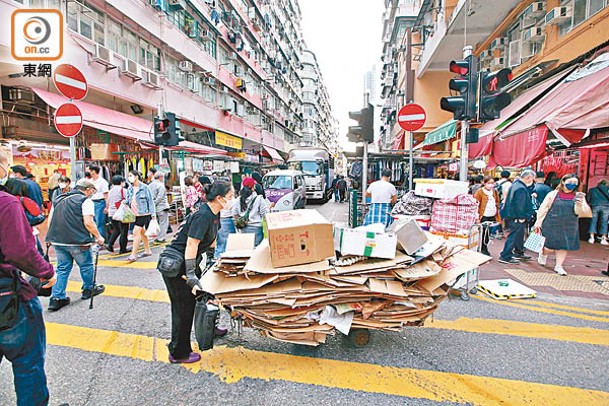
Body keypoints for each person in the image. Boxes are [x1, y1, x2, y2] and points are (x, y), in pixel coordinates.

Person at [0, 151, 57, 406]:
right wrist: (46, 272)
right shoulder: (5, 203)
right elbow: (20, 250)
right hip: (8, 300)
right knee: (28, 366)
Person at [160, 181, 233, 364]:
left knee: (205, 294)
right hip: (177, 264)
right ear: (219, 198)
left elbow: (212, 238)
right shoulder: (203, 215)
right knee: (183, 309)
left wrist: (211, 259)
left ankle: (209, 328)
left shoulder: (214, 214)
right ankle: (178, 352)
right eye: (231, 197)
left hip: (188, 261)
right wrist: (191, 274)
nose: (233, 200)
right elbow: (191, 244)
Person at [46, 178, 106, 311]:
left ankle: (57, 298)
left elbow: (51, 218)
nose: (92, 193)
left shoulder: (59, 199)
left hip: (58, 240)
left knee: (62, 268)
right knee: (86, 266)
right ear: (88, 189)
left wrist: (49, 237)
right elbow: (88, 222)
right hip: (78, 240)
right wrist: (98, 236)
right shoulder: (85, 201)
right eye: (92, 191)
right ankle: (88, 289)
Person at [534, 174, 584, 276]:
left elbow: (581, 213)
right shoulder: (553, 194)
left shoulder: (578, 196)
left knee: (564, 246)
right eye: (570, 182)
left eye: (575, 183)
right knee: (550, 245)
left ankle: (559, 266)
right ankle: (543, 253)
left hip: (570, 224)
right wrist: (538, 222)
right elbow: (544, 208)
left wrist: (580, 204)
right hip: (551, 223)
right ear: (563, 182)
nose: (572, 185)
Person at [498, 169, 536, 265]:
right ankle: (505, 255)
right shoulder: (521, 188)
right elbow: (520, 204)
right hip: (516, 216)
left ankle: (518, 252)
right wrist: (521, 217)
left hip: (511, 215)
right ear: (528, 178)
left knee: (518, 235)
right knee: (514, 235)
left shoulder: (516, 185)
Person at [125, 171, 156, 263]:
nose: (129, 177)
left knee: (136, 232)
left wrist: (153, 214)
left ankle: (133, 254)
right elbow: (128, 200)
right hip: (134, 214)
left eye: (131, 176)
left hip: (144, 214)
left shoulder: (145, 188)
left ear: (136, 177)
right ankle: (147, 250)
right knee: (142, 232)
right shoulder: (130, 189)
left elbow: (150, 201)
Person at [233, 177, 269, 247]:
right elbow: (265, 214)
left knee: (246, 249)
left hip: (244, 229)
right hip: (257, 229)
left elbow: (234, 213)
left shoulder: (238, 199)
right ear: (253, 187)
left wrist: (241, 219)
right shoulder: (259, 199)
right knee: (256, 250)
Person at [474, 176, 501, 256]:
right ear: (484, 183)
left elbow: (497, 202)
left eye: (492, 183)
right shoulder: (480, 192)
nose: (491, 185)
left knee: (488, 233)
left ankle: (484, 247)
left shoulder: (494, 191)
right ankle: (483, 248)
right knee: (483, 233)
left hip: (492, 215)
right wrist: (477, 217)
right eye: (489, 183)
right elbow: (476, 204)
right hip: (483, 216)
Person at [106, 175, 129, 254]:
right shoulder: (123, 190)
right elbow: (128, 200)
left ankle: (110, 244)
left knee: (117, 229)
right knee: (124, 230)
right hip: (121, 213)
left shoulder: (110, 191)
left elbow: (108, 202)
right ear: (121, 182)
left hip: (111, 213)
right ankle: (123, 249)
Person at [214, 188, 237, 259]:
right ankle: (219, 259)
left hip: (221, 219)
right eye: (230, 196)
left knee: (221, 242)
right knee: (224, 243)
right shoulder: (226, 200)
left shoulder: (217, 198)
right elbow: (233, 209)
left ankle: (217, 257)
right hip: (226, 219)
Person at [88, 165, 109, 239]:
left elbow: (106, 194)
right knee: (92, 221)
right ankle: (95, 238)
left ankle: (100, 239)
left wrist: (107, 206)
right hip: (91, 202)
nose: (90, 172)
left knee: (99, 222)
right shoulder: (89, 181)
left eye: (91, 171)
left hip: (100, 202)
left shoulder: (102, 182)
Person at [150, 171, 170, 243]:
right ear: (160, 177)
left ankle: (158, 237)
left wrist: (152, 205)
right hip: (161, 207)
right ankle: (161, 238)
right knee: (163, 223)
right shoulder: (161, 186)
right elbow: (160, 197)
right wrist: (154, 203)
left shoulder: (150, 185)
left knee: (158, 223)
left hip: (154, 208)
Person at [587, 179, 609, 245]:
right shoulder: (608, 189)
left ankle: (592, 238)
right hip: (606, 206)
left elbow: (588, 199)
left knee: (593, 221)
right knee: (604, 222)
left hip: (594, 205)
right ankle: (603, 238)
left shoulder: (592, 190)